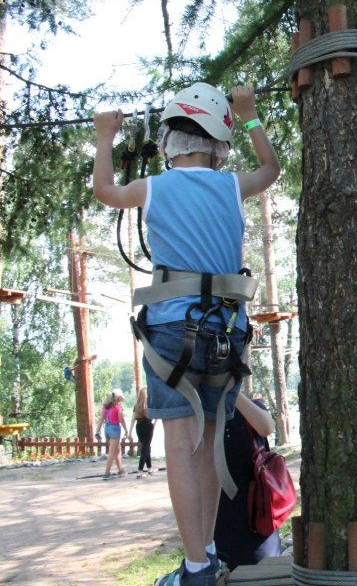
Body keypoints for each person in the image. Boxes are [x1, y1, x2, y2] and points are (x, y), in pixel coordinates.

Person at [93, 82, 281, 586]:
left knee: (180, 444)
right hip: (226, 329)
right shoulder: (230, 186)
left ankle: (197, 565)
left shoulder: (154, 187)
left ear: (170, 140)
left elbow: (106, 191)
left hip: (172, 330)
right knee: (211, 442)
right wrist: (251, 115)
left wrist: (105, 138)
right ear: (219, 144)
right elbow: (271, 169)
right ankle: (208, 554)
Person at [214, 393, 280, 570]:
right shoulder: (199, 412)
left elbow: (267, 427)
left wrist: (228, 387)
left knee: (266, 572)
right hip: (220, 517)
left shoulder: (249, 406)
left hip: (257, 517)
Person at [95, 388, 129, 480]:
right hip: (114, 429)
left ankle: (120, 470)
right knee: (112, 452)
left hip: (107, 429)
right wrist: (126, 430)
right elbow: (121, 420)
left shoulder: (105, 407)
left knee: (117, 450)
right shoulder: (118, 408)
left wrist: (97, 431)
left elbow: (101, 419)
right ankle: (107, 473)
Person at [128, 386, 157, 478]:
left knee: (146, 447)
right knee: (145, 449)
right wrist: (154, 424)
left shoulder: (136, 406)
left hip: (139, 427)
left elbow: (133, 419)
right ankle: (140, 471)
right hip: (148, 426)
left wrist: (129, 432)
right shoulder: (149, 405)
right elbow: (156, 415)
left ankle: (150, 468)